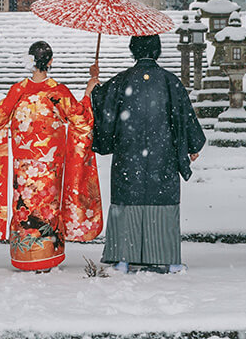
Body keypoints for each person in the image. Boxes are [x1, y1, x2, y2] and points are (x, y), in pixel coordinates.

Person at [0, 40, 102, 271]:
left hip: (25, 165)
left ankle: (25, 255)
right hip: (50, 166)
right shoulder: (58, 91)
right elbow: (81, 119)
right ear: (50, 62)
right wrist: (89, 90)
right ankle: (46, 254)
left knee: (25, 204)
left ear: (31, 62)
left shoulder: (18, 90)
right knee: (47, 205)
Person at [88, 33, 205, 273]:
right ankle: (168, 259)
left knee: (127, 200)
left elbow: (103, 110)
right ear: (157, 51)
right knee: (161, 202)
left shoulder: (121, 82)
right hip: (163, 157)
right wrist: (191, 146)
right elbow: (184, 118)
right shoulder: (170, 82)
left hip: (128, 156)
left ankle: (123, 258)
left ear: (133, 51)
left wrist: (94, 87)